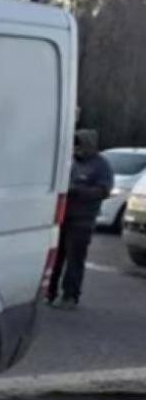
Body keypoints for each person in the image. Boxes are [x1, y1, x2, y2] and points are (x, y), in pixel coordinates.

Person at [47, 129, 113, 309]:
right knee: (56, 258)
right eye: (74, 144)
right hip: (62, 217)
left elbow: (104, 191)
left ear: (88, 145)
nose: (76, 148)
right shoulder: (71, 163)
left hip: (82, 220)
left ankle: (70, 296)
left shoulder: (101, 165)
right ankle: (49, 293)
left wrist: (78, 191)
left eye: (79, 144)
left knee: (74, 260)